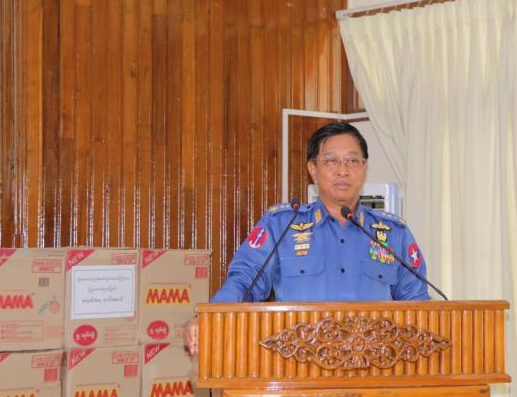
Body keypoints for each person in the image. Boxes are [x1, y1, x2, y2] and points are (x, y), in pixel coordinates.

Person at [184, 122, 430, 354]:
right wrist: (209, 318)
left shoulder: (393, 232)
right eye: (331, 161)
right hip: (300, 364)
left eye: (352, 160)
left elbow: (417, 303)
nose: (343, 170)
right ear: (313, 169)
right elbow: (245, 280)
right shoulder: (282, 225)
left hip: (374, 366)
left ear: (364, 167)